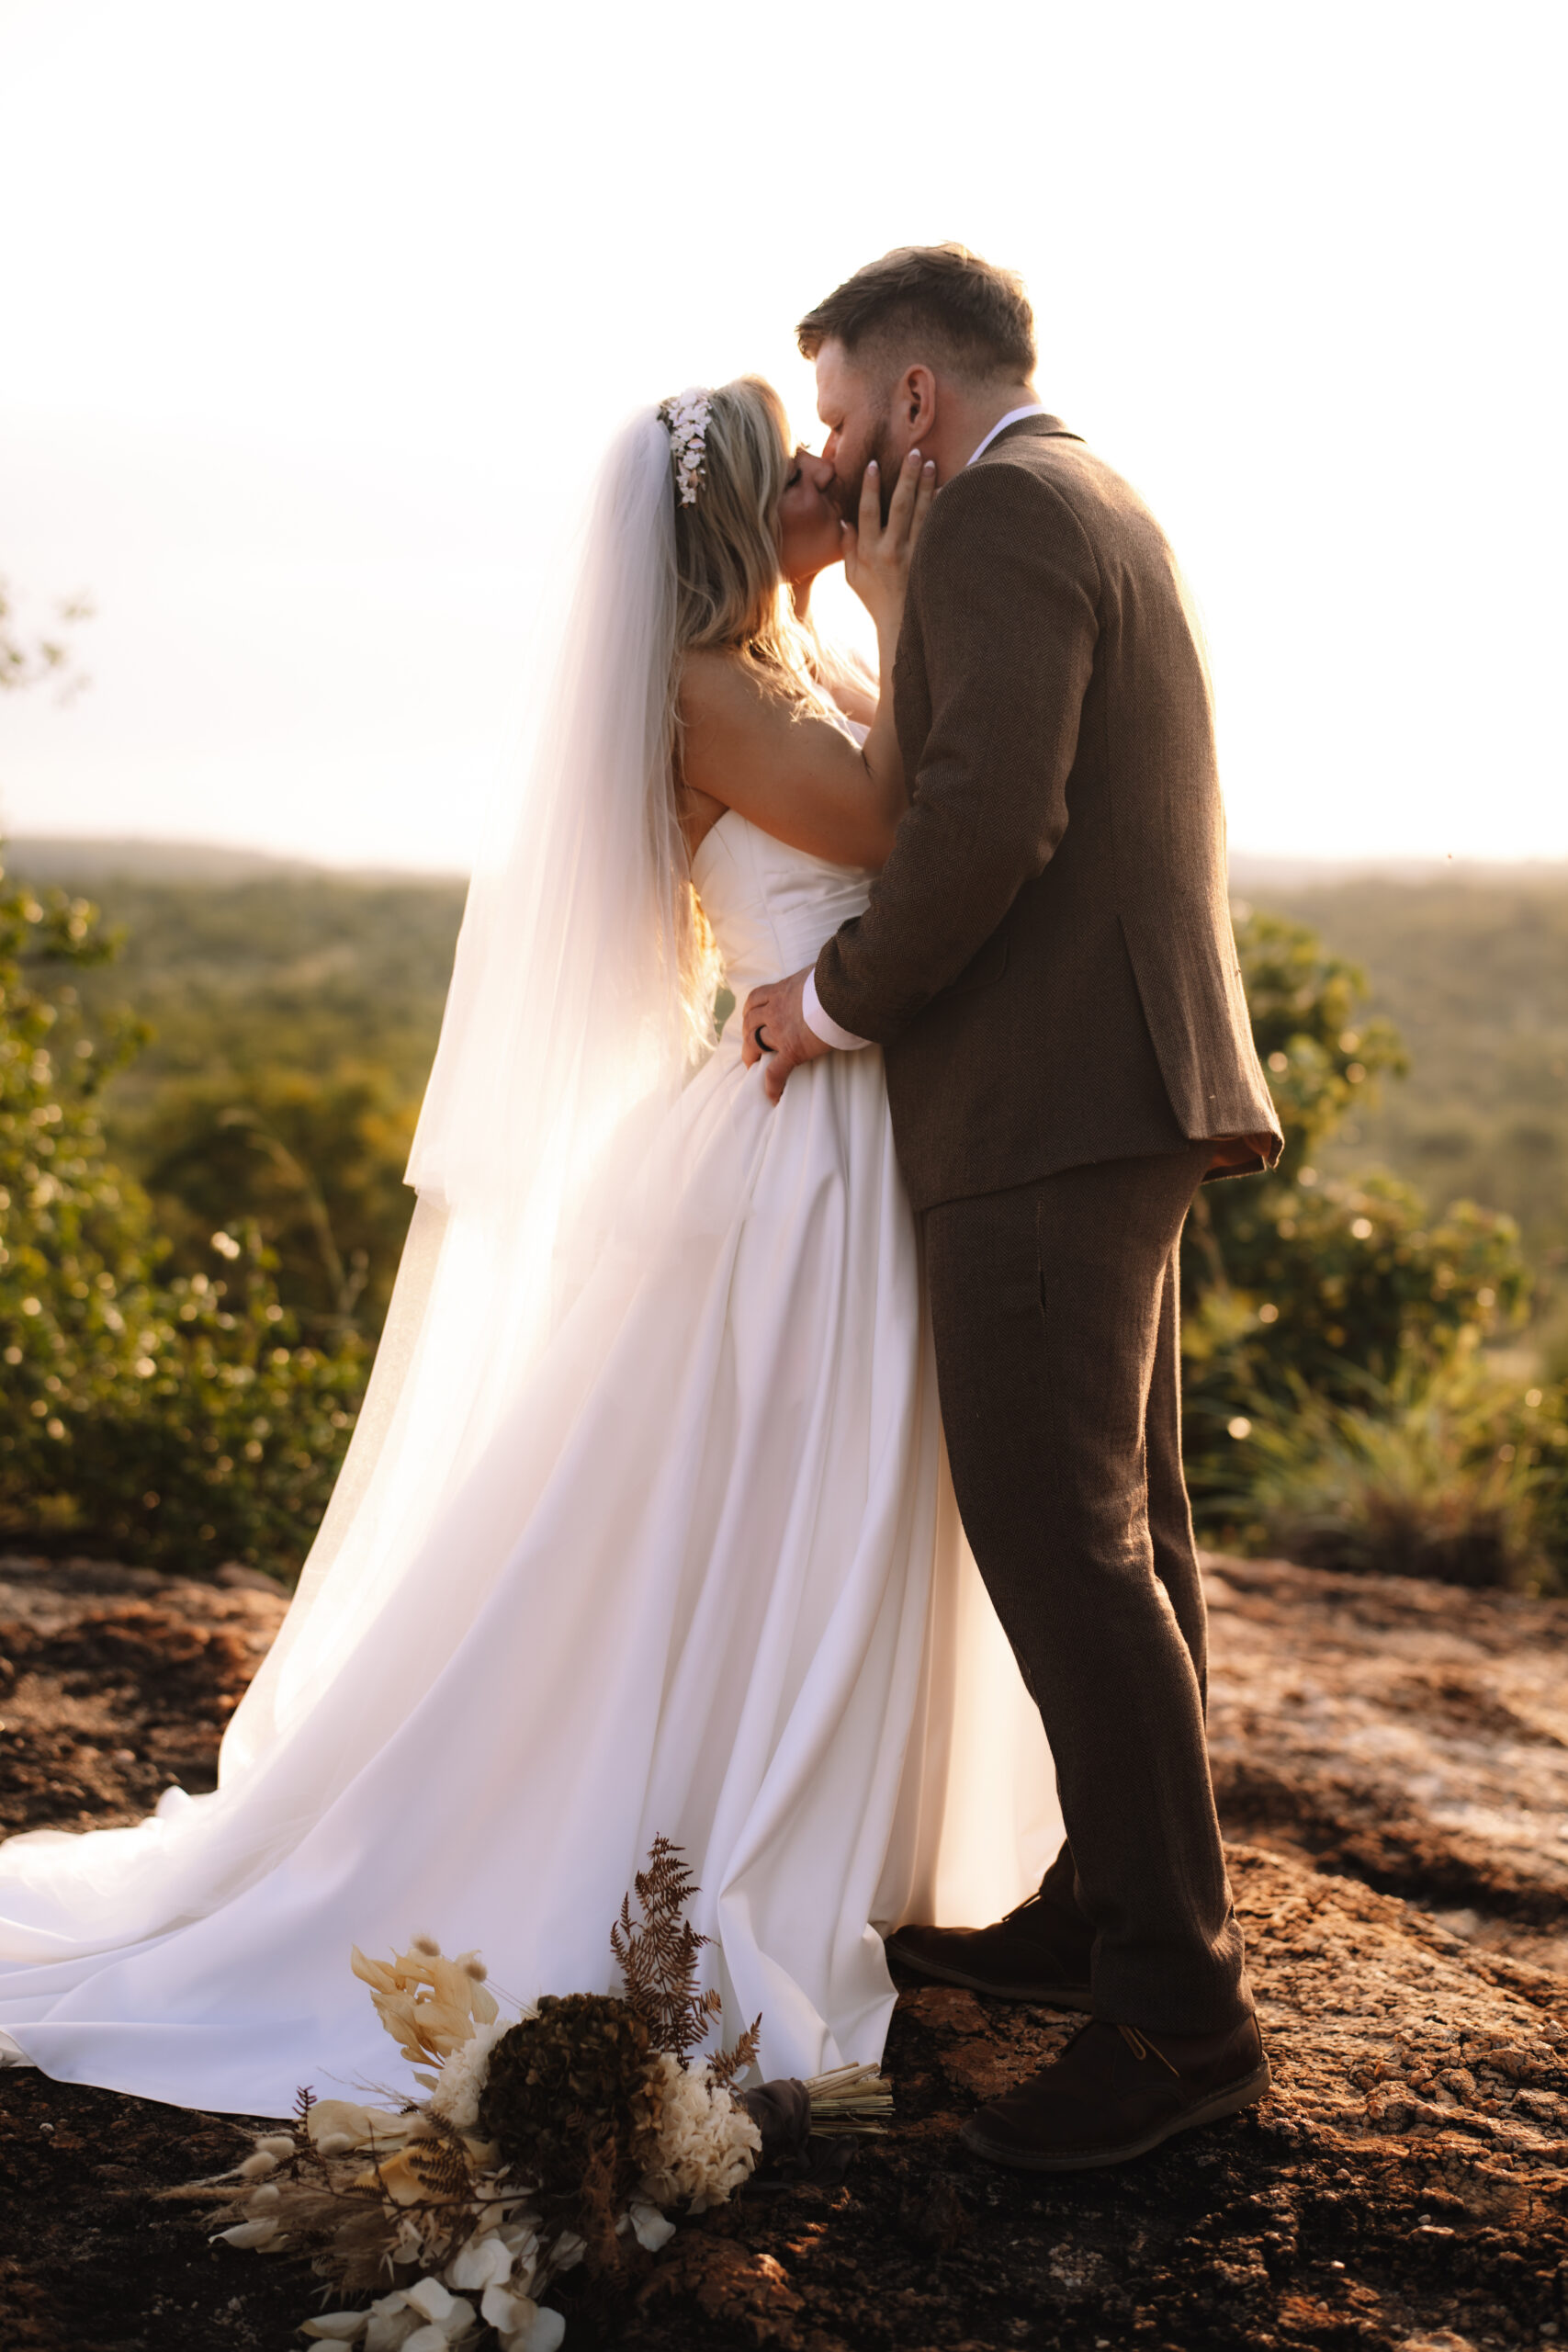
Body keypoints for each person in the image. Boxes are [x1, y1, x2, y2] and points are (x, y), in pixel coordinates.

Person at [0, 376, 1061, 2116]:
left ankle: (822, 1824)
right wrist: (898, 597)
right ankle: (691, 1839)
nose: (830, 468)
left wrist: (868, 614)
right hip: (805, 1146)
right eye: (793, 461)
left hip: (854, 1118)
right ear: (729, 518)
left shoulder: (774, 661)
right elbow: (892, 829)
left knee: (823, 1493)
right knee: (775, 1495)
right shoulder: (709, 689)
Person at [742, 244, 1284, 2172]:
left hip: (1050, 1096)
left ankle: (1174, 2023)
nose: (825, 447)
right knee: (1116, 1529)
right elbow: (1001, 770)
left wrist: (824, 1001)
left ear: (906, 400)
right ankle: (1101, 1916)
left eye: (831, 412)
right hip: (1110, 1083)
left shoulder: (990, 512)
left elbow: (984, 819)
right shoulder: (1080, 491)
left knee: (1059, 1542)